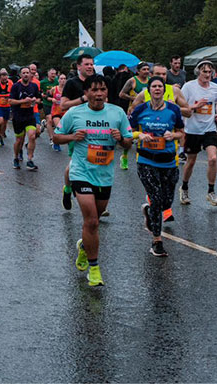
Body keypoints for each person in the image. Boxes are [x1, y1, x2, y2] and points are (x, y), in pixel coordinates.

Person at [53, 74, 132, 286]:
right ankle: (94, 269)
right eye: (94, 90)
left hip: (104, 175)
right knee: (92, 221)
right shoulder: (74, 113)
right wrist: (72, 137)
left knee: (93, 223)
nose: (99, 94)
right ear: (86, 93)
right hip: (81, 172)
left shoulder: (117, 113)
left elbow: (128, 144)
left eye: (103, 90)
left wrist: (121, 139)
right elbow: (56, 137)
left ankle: (83, 247)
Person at [129, 76, 185, 257]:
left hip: (169, 161)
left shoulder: (173, 110)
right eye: (154, 86)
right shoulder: (140, 110)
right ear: (148, 90)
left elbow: (181, 132)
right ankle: (156, 241)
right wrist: (140, 135)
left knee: (167, 201)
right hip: (146, 160)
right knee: (157, 197)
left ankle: (150, 211)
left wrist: (173, 136)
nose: (157, 89)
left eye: (160, 86)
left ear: (164, 89)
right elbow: (128, 131)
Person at [179, 60, 217, 206]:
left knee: (213, 159)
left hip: (209, 129)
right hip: (192, 129)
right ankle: (184, 188)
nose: (207, 74)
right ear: (198, 72)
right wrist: (195, 106)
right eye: (204, 71)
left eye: (210, 71)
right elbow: (182, 107)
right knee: (191, 161)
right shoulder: (188, 87)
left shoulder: (216, 88)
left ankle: (211, 192)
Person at [58, 55, 97, 211]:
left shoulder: (97, 82)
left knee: (96, 163)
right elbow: (63, 105)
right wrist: (83, 99)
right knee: (75, 164)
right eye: (86, 64)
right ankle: (68, 189)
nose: (90, 67)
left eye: (92, 64)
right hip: (77, 128)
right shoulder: (72, 83)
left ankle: (95, 198)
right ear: (78, 67)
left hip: (97, 126)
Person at [118, 62, 151, 170]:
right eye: (144, 69)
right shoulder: (132, 81)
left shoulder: (151, 80)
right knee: (130, 135)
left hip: (147, 111)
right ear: (138, 71)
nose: (146, 71)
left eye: (147, 69)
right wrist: (134, 98)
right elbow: (121, 94)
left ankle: (144, 158)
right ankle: (124, 156)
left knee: (147, 133)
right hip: (134, 110)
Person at [9, 67, 40, 170]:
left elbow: (39, 98)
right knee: (19, 139)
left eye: (28, 72)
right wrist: (23, 101)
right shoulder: (16, 87)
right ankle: (16, 158)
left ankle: (30, 160)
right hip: (18, 116)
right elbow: (11, 101)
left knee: (32, 136)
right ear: (20, 75)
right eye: (24, 73)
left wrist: (35, 100)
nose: (26, 74)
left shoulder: (34, 86)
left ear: (30, 74)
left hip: (29, 116)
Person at [45, 73, 67, 151]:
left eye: (64, 78)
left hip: (65, 112)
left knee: (64, 129)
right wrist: (52, 99)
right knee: (59, 127)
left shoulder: (68, 89)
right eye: (61, 78)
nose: (63, 80)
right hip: (56, 111)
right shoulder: (54, 88)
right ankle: (56, 143)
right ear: (58, 80)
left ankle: (56, 139)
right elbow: (47, 96)